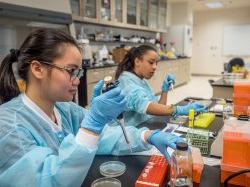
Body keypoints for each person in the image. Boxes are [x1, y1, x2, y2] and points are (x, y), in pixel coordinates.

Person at [0, 29, 183, 187]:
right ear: (38, 69)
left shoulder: (66, 109)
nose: (77, 80)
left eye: (78, 72)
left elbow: (104, 136)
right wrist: (92, 124)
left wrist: (146, 136)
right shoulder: (7, 125)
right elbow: (48, 181)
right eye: (71, 71)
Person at [115, 45, 206, 126]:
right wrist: (179, 109)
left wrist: (164, 90)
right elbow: (146, 106)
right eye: (151, 62)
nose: (155, 67)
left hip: (146, 126)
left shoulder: (141, 81)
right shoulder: (126, 81)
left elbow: (158, 107)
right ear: (137, 61)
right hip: (131, 133)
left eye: (156, 63)